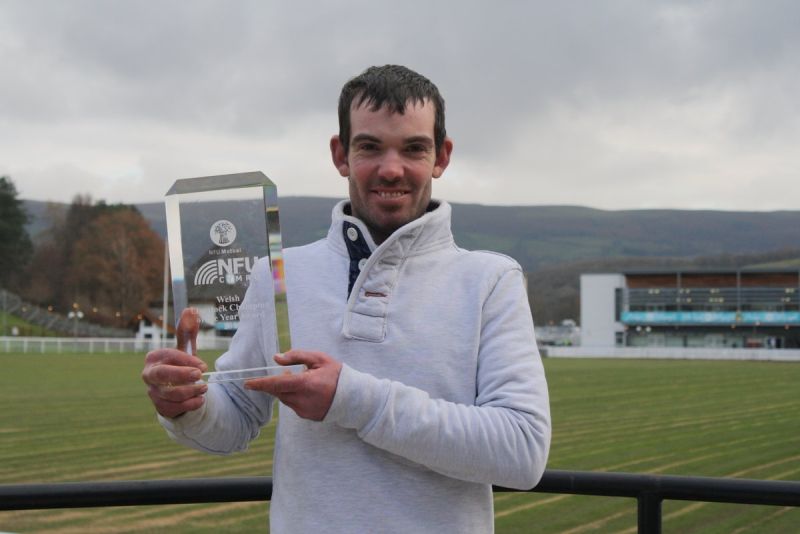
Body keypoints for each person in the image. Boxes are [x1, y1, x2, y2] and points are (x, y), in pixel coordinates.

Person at [142, 64, 551, 533]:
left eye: (414, 148)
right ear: (340, 154)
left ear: (442, 156)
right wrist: (184, 405)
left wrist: (350, 398)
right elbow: (234, 417)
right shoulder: (279, 274)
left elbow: (522, 452)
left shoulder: (491, 280)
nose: (391, 169)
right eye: (370, 147)